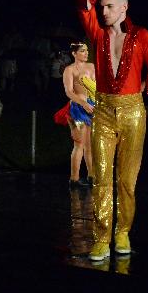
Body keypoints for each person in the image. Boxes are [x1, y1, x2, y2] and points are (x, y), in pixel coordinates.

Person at [76, 0, 148, 261]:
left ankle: (122, 231)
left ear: (125, 8)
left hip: (132, 113)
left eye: (110, 7)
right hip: (102, 111)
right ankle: (101, 237)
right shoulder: (99, 36)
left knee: (127, 180)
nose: (104, 12)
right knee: (101, 177)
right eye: (102, 7)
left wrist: (139, 92)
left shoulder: (142, 37)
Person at [53, 42, 96, 186]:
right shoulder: (69, 70)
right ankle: (74, 178)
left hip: (91, 107)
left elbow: (96, 86)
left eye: (86, 50)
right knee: (79, 144)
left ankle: (92, 176)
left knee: (89, 145)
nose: (86, 53)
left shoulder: (91, 67)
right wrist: (83, 103)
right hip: (77, 109)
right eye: (82, 51)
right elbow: (69, 92)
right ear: (74, 53)